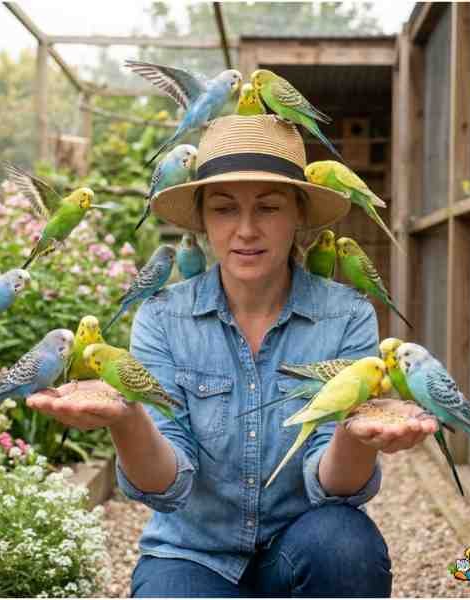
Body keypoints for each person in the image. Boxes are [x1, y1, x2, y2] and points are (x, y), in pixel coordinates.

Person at [28, 115, 438, 597]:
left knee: (347, 547)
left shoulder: (347, 316)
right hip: (192, 553)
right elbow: (165, 485)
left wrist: (357, 434)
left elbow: (334, 486)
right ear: (203, 220)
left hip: (301, 545)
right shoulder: (162, 317)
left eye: (268, 207)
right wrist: (126, 417)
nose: (246, 229)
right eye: (224, 209)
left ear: (299, 214)